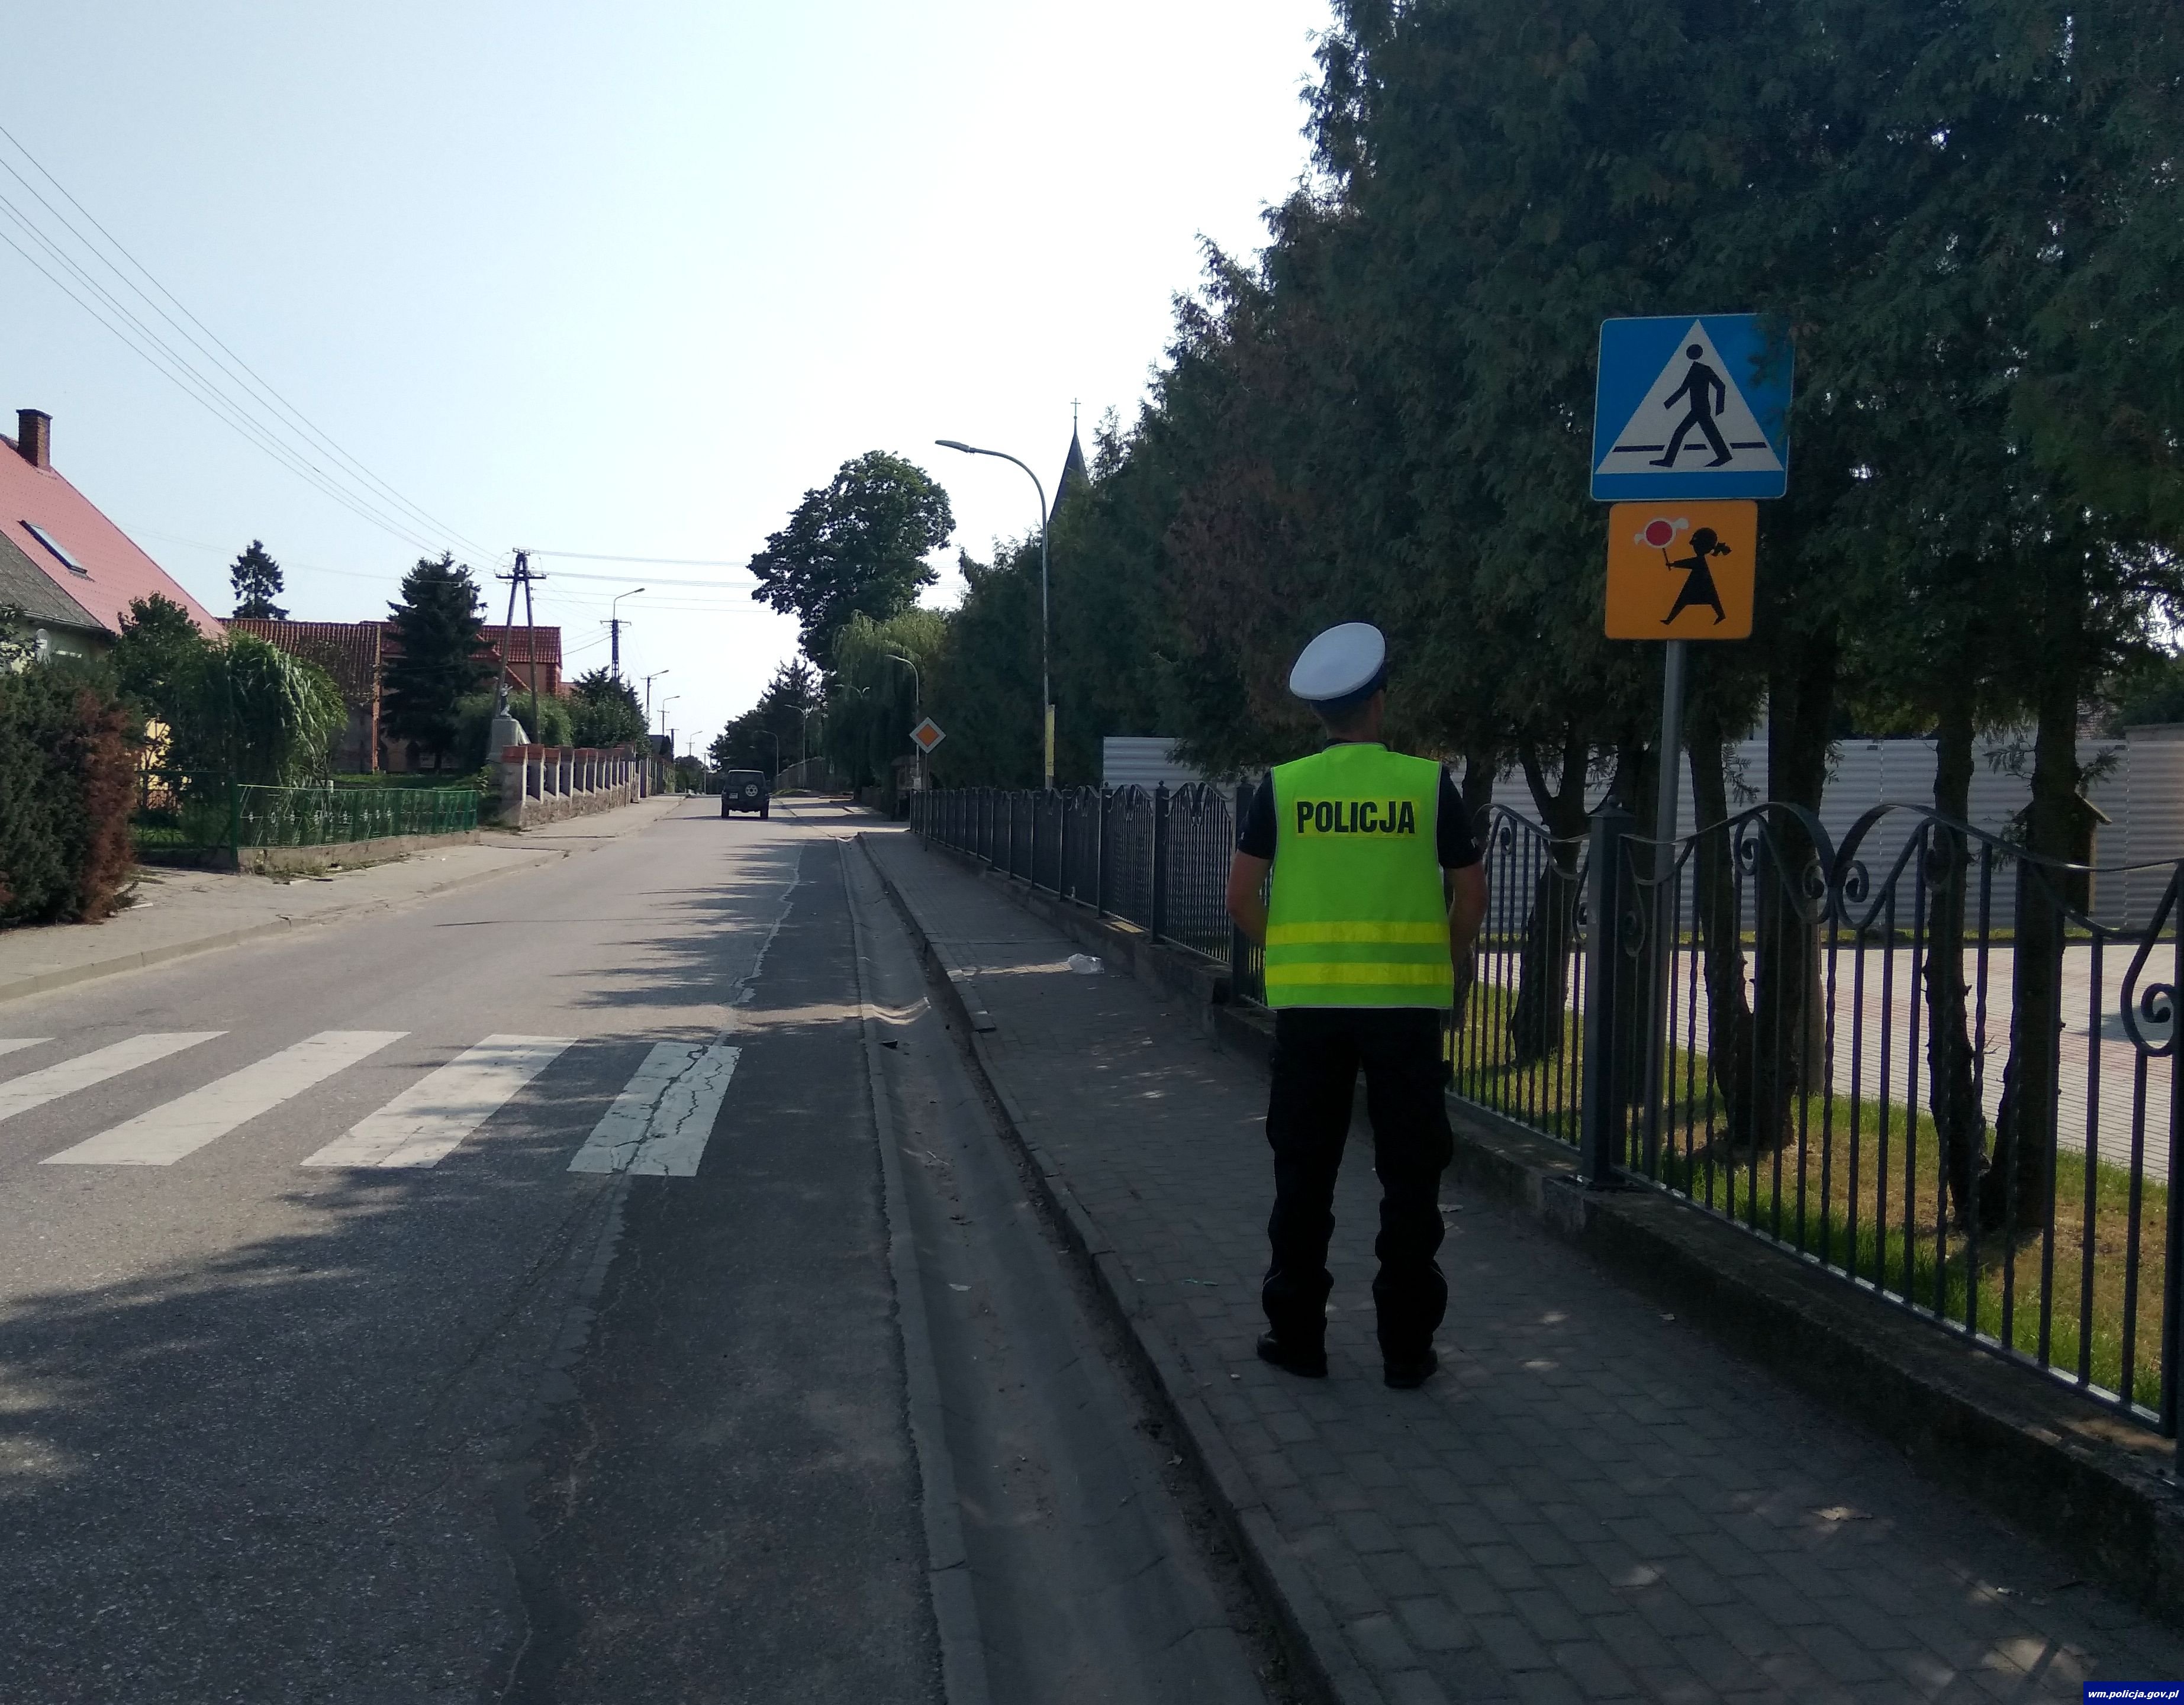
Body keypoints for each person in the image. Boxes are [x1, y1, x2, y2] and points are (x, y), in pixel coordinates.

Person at [1224, 624, 1489, 1389]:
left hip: (1310, 1012)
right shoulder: (1426, 785)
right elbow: (1470, 895)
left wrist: (1293, 953)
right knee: (1411, 1181)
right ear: (1378, 702)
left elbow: (1240, 898)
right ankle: (1406, 1350)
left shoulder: (1282, 788)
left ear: (1320, 713)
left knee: (1303, 1176)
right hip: (1405, 1012)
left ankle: (1297, 1338)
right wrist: (1441, 961)